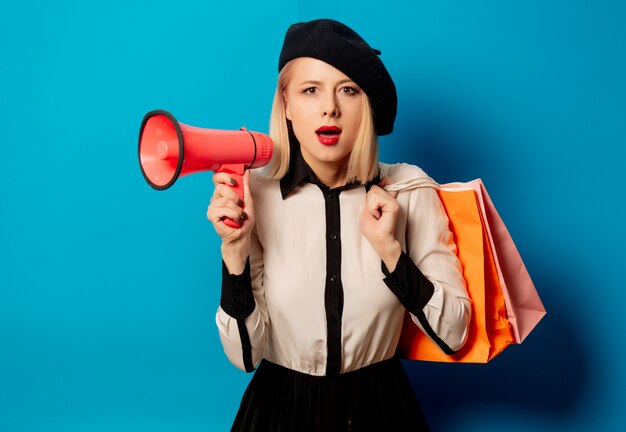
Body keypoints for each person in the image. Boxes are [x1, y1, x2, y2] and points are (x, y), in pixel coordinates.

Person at [206, 18, 471, 431]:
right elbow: (243, 355)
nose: (330, 107)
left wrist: (391, 252)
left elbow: (454, 333)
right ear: (287, 105)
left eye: (348, 90)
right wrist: (234, 251)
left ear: (366, 105)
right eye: (310, 90)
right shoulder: (252, 196)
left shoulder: (408, 190)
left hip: (380, 410)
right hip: (280, 413)